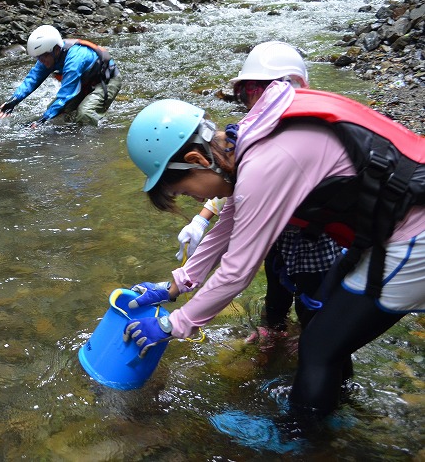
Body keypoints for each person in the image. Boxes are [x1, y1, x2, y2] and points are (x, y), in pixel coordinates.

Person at [122, 82, 425, 419]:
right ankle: (338, 407)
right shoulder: (249, 138)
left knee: (319, 347)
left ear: (196, 159)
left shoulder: (264, 165)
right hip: (395, 227)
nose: (194, 199)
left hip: (414, 238)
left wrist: (172, 325)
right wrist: (176, 284)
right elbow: (227, 225)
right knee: (328, 336)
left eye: (183, 189)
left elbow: (237, 273)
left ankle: (299, 441)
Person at [176, 42, 341, 334]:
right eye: (248, 89)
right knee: (276, 289)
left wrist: (174, 323)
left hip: (316, 238)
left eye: (260, 88)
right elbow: (235, 192)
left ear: (290, 88)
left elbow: (236, 267)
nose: (255, 96)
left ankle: (311, 343)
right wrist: (200, 221)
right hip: (278, 232)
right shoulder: (254, 131)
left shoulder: (292, 135)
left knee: (313, 304)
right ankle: (273, 332)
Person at [0, 25, 123, 126]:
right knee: (54, 111)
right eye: (37, 57)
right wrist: (14, 100)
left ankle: (92, 142)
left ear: (56, 49)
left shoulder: (75, 58)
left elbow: (67, 93)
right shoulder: (48, 56)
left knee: (84, 113)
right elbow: (32, 79)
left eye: (43, 56)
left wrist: (44, 118)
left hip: (106, 81)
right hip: (83, 82)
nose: (41, 61)